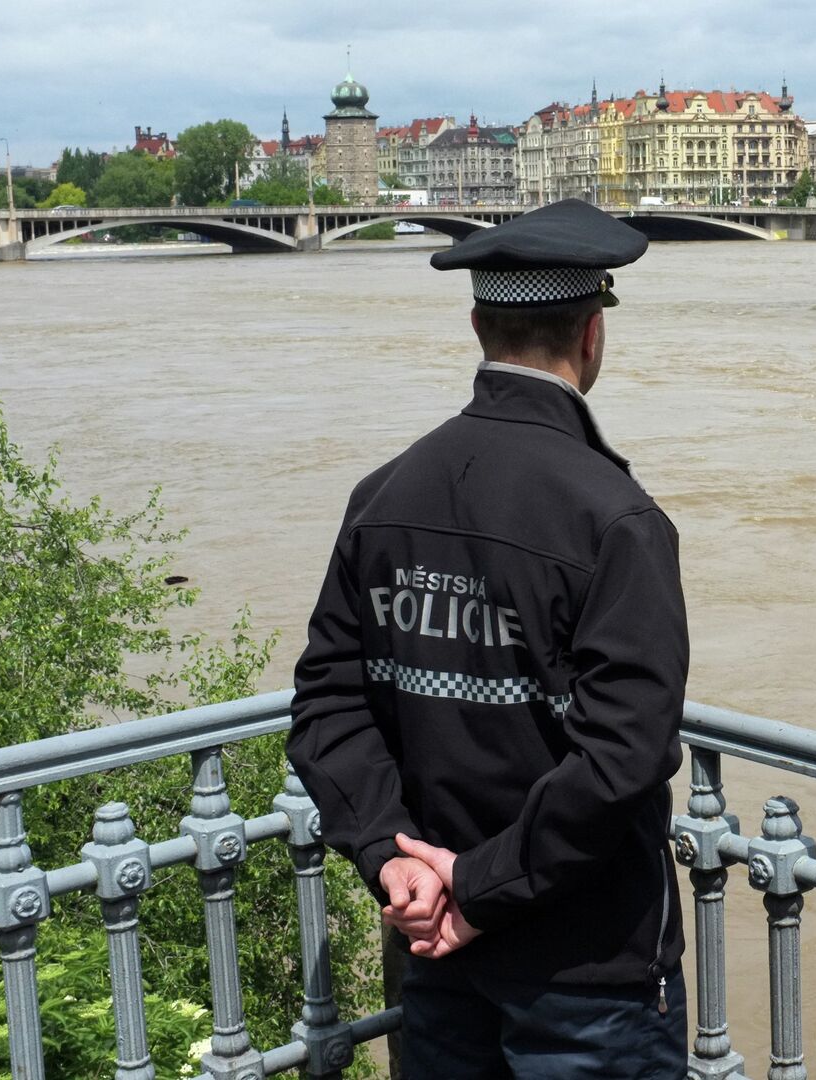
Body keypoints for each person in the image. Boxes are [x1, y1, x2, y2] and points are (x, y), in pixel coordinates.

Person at [287, 198, 690, 1079]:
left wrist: (394, 860)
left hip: (433, 948)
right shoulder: (616, 519)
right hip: (588, 972)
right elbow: (625, 755)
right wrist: (479, 888)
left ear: (477, 324)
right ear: (593, 336)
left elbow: (326, 704)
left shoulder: (383, 495)